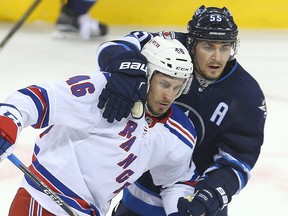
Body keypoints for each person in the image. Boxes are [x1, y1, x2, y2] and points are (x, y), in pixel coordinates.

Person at [95, 5, 267, 216]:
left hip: (196, 200)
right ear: (192, 44)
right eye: (208, 46)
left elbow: (237, 160)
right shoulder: (166, 48)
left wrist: (209, 196)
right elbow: (115, 46)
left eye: (224, 47)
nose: (217, 57)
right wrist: (124, 69)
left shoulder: (246, 94)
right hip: (141, 193)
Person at [0, 36, 198, 216]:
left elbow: (177, 181)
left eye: (177, 87)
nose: (169, 96)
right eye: (164, 84)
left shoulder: (179, 132)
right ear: (147, 76)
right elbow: (35, 99)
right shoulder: (105, 90)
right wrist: (7, 124)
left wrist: (178, 211)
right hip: (44, 201)